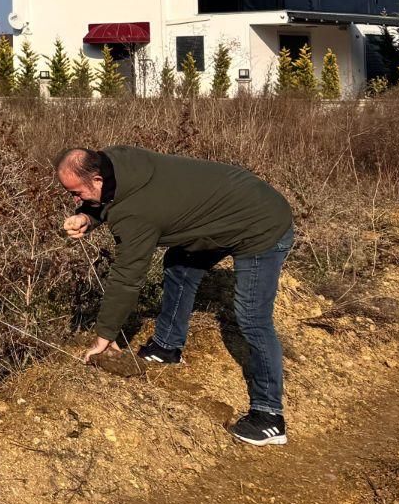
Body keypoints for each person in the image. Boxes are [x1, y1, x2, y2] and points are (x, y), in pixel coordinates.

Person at [57, 145, 294, 446]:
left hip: (261, 224)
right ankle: (167, 347)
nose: (75, 200)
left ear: (98, 179)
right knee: (180, 264)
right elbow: (111, 200)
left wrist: (104, 338)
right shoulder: (117, 162)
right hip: (224, 213)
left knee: (252, 317)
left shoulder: (137, 211)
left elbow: (127, 278)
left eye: (76, 193)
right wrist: (87, 218)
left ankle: (269, 417)